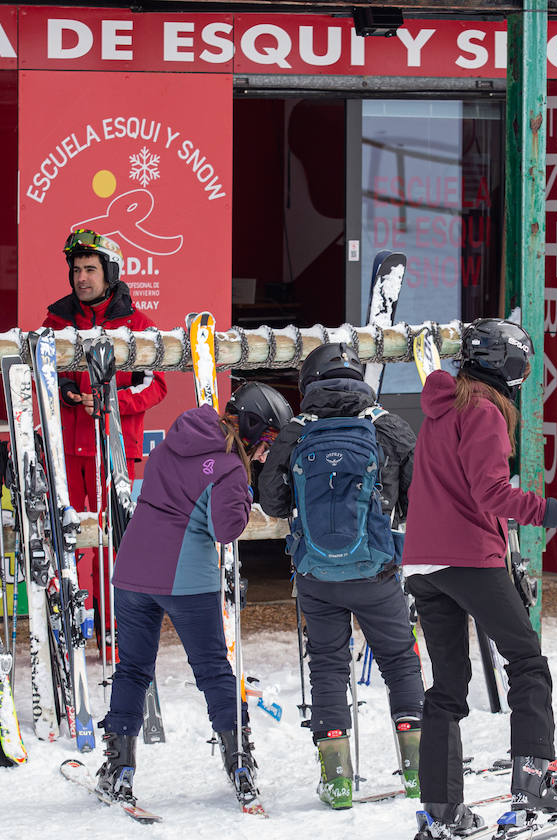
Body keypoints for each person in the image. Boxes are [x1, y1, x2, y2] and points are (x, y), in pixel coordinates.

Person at [400, 318, 557, 840]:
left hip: (423, 562)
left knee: (446, 686)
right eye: (522, 365)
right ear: (507, 365)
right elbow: (490, 493)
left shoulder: (438, 410)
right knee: (527, 662)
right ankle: (535, 785)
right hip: (468, 558)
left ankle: (441, 810)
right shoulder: (484, 412)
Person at [96, 383, 290, 810]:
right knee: (214, 672)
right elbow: (227, 530)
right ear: (255, 429)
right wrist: (244, 490)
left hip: (132, 572)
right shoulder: (230, 469)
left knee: (132, 670)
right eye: (269, 442)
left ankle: (118, 768)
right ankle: (239, 763)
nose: (266, 452)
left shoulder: (172, 441)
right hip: (186, 579)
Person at [256, 342, 424, 810]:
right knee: (400, 661)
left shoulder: (295, 432)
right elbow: (419, 495)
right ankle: (417, 770)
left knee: (328, 665)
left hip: (315, 574)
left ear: (310, 382)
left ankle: (337, 782)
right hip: (377, 571)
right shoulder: (388, 426)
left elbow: (271, 502)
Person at [42, 228, 167, 654]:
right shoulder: (56, 322)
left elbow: (156, 386)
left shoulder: (140, 326)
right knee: (66, 546)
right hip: (66, 454)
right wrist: (62, 390)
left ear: (110, 272)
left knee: (113, 552)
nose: (81, 278)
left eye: (90, 269)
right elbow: (43, 373)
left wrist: (110, 403)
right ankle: (66, 637)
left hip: (113, 456)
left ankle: (114, 641)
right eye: (76, 270)